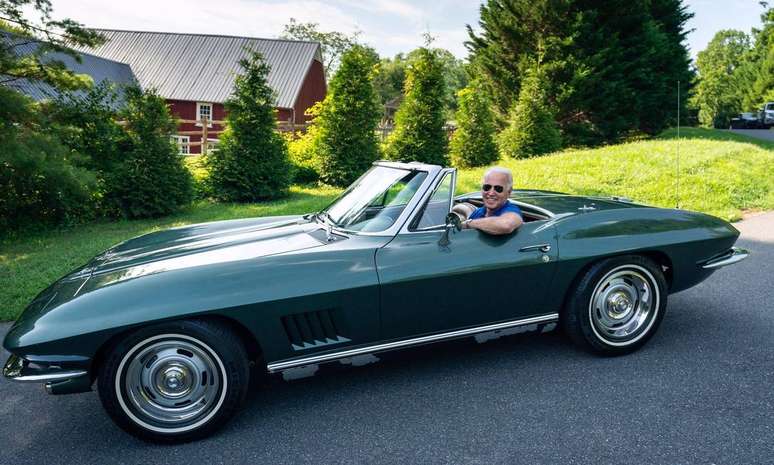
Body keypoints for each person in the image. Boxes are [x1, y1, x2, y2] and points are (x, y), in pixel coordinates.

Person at [461, 167, 523, 235]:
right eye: (487, 187)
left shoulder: (512, 210)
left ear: (509, 192)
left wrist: (468, 223)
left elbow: (506, 225)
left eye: (498, 189)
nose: (491, 193)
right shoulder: (478, 212)